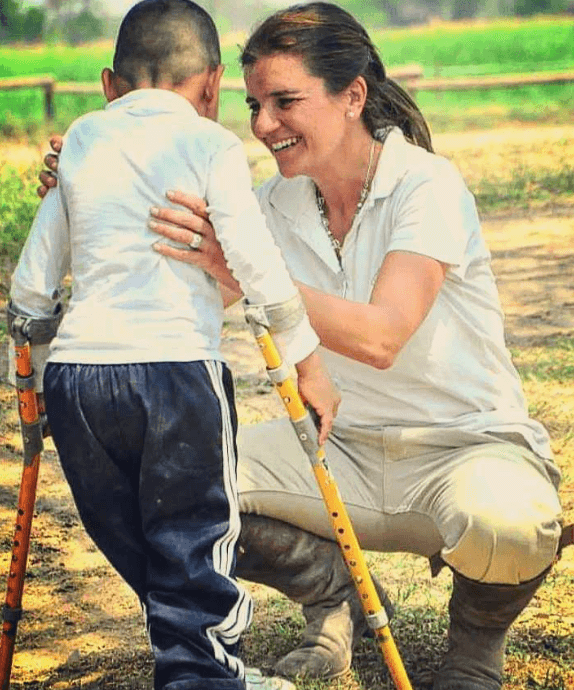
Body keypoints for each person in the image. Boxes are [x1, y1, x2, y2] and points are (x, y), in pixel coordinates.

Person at [38, 3, 564, 689]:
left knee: (511, 524)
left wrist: (245, 271)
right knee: (166, 491)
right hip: (330, 445)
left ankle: (473, 647)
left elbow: (383, 337)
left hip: (463, 446)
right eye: (254, 103)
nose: (262, 125)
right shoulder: (268, 204)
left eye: (285, 101)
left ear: (353, 96)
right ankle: (333, 596)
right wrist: (88, 185)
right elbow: (178, 266)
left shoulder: (426, 185)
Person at [11, 2, 340, 690]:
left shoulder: (81, 138)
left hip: (79, 379)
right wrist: (308, 362)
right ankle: (202, 674)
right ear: (214, 85)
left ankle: (198, 656)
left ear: (110, 84)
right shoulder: (211, 144)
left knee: (127, 528)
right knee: (192, 532)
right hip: (176, 375)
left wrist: (33, 380)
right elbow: (258, 268)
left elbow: (34, 285)